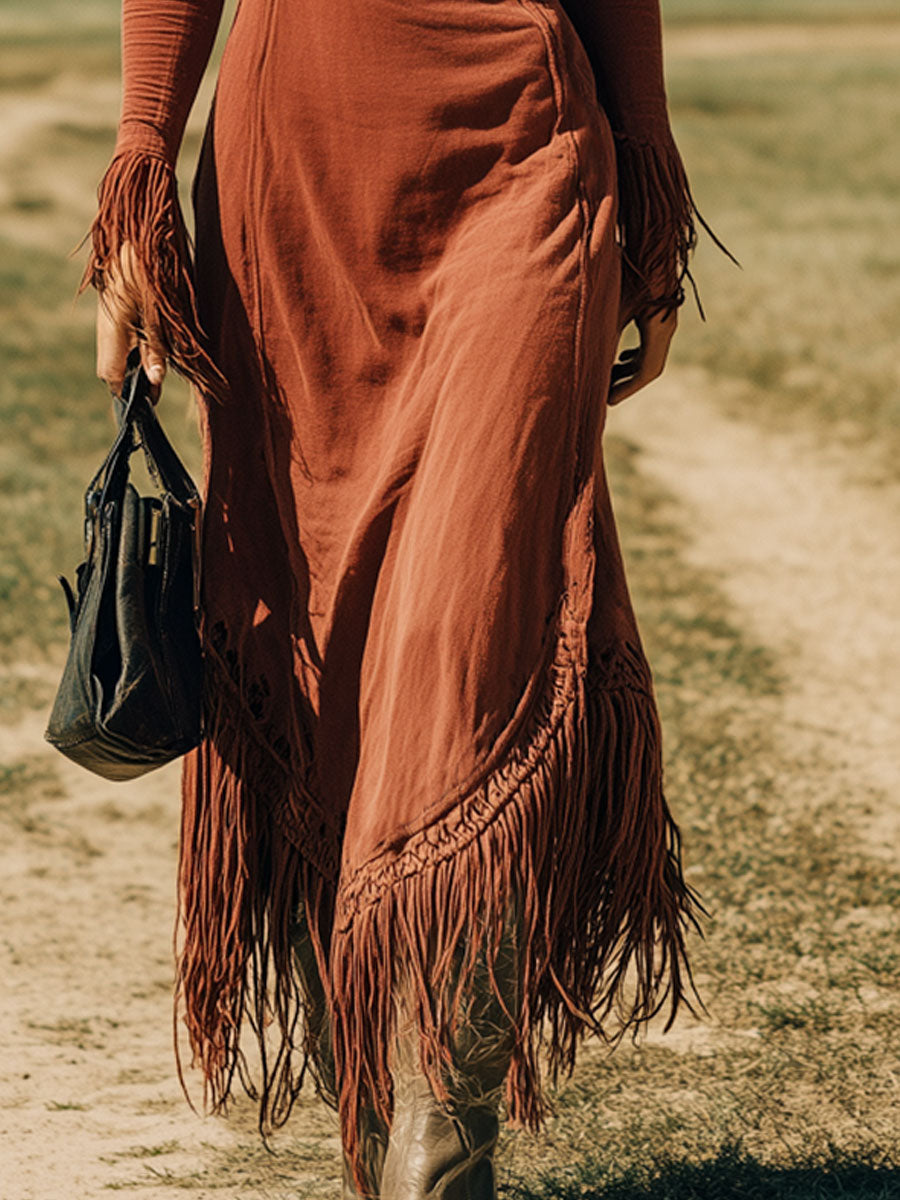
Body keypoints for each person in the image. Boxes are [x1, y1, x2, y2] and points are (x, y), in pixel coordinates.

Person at [85, 1, 704, 1196]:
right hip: (297, 166)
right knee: (326, 622)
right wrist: (142, 161)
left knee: (470, 623)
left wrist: (648, 184)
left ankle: (440, 1141)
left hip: (528, 149)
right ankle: (377, 1112)